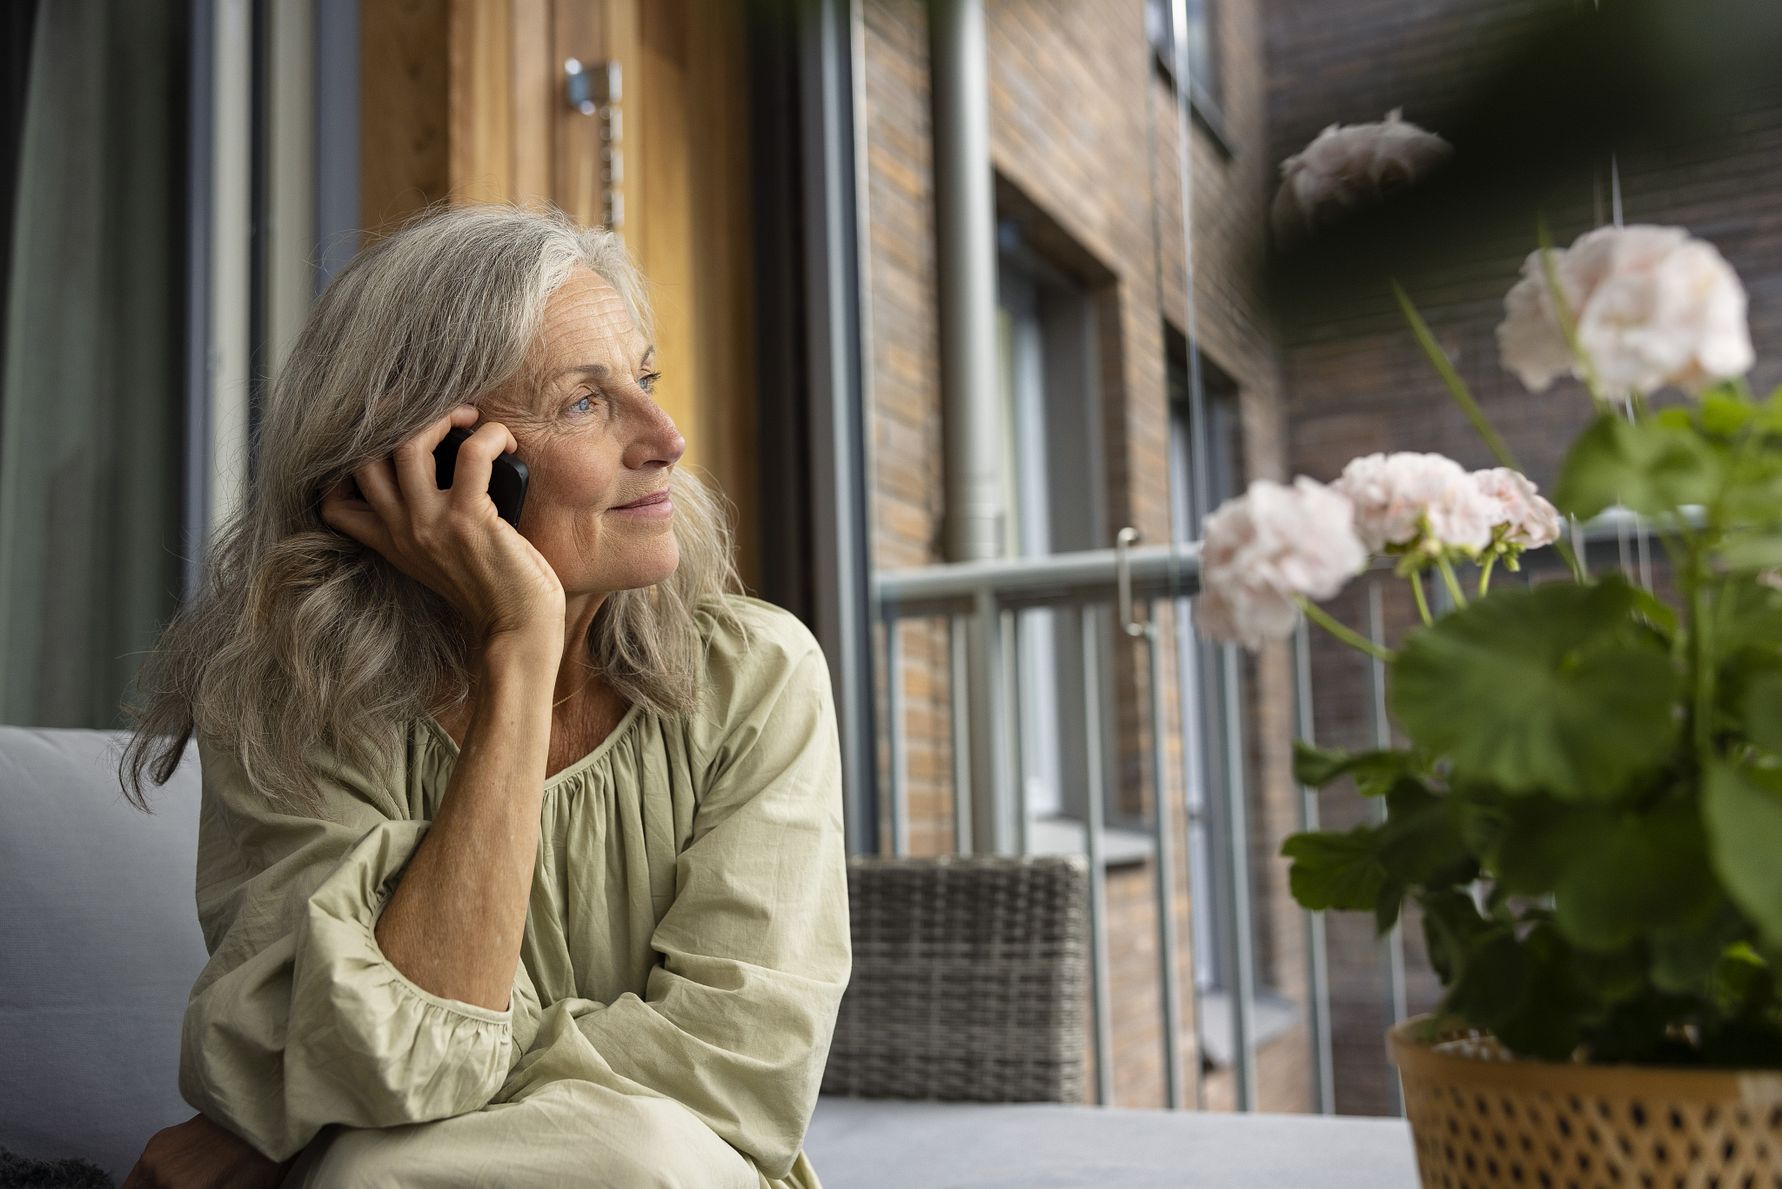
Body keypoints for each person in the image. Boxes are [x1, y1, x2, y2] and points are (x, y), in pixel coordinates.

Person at [117, 203, 852, 1188]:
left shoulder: (757, 676)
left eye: (642, 382)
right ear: (430, 461)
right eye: (584, 403)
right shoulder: (298, 700)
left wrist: (306, 1107)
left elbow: (734, 1076)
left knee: (531, 1161)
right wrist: (522, 644)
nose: (667, 438)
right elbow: (373, 1059)